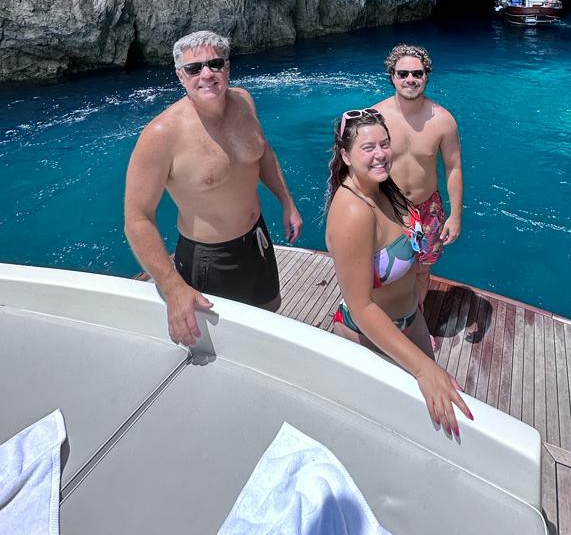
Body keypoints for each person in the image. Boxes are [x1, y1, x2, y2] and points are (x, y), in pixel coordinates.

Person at [124, 29, 303, 346]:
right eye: (194, 68)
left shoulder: (243, 101)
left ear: (227, 67)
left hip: (256, 239)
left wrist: (287, 202)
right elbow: (137, 219)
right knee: (224, 343)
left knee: (270, 313)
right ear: (181, 76)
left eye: (215, 64)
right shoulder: (162, 134)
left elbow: (262, 152)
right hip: (211, 259)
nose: (206, 74)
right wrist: (173, 287)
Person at [325, 108, 473, 437]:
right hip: (369, 336)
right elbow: (362, 307)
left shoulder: (384, 188)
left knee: (436, 415)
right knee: (388, 431)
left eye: (385, 144)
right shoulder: (354, 211)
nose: (380, 154)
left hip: (411, 319)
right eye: (368, 147)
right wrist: (422, 369)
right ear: (346, 156)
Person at [372, 45, 463, 308]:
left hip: (428, 209)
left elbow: (453, 168)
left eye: (417, 73)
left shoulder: (443, 120)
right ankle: (384, 319)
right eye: (403, 74)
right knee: (384, 271)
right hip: (387, 208)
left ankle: (416, 319)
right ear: (392, 77)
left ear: (426, 76)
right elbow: (357, 167)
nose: (410, 79)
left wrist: (455, 216)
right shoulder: (375, 117)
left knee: (422, 272)